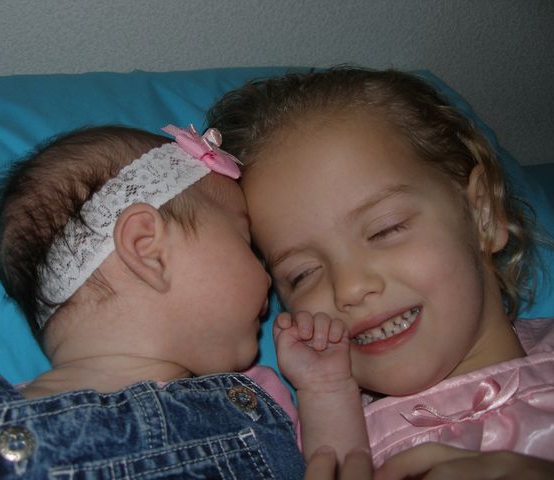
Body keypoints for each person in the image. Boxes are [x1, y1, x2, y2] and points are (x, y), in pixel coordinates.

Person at [0, 123, 370, 479]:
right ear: (146, 247)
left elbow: (337, 466)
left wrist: (326, 390)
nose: (267, 277)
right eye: (246, 242)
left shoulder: (256, 394)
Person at [207, 66, 554, 479]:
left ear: (483, 214)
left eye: (385, 229)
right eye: (302, 274)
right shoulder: (318, 447)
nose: (350, 288)